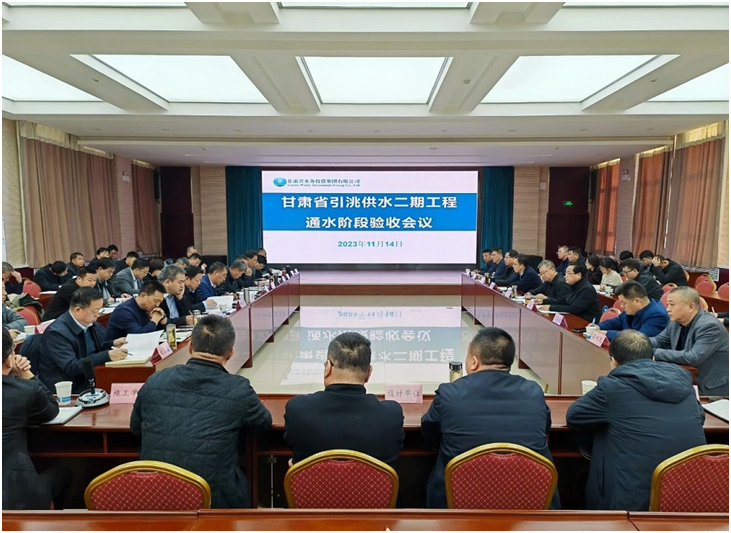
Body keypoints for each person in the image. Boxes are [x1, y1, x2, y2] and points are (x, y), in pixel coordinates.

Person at [131, 314, 272, 508]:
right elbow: (263, 423)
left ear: (190, 347)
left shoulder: (156, 380)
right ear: (230, 354)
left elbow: (136, 428)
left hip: (154, 495)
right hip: (212, 500)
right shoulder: (238, 388)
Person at [567, 330, 706, 511]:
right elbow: (700, 417)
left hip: (631, 502)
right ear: (653, 358)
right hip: (689, 495)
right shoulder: (683, 383)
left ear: (613, 361)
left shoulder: (612, 388)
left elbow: (574, 417)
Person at [421, 327, 557, 509]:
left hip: (459, 504)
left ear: (474, 362)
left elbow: (429, 433)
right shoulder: (533, 392)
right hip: (529, 502)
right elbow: (544, 429)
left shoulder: (450, 393)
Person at [284, 332, 404, 468]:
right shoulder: (391, 415)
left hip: (314, 483)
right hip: (369, 483)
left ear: (328, 368)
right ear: (369, 373)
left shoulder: (298, 410)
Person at [2, 327, 72, 510]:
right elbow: (51, 410)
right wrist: (26, 375)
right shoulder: (23, 392)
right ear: (9, 359)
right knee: (64, 472)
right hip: (14, 494)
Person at [39, 288, 128, 394]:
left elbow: (95, 348)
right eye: (95, 312)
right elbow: (71, 367)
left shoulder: (90, 324)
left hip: (91, 378)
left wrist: (112, 343)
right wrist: (107, 355)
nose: (98, 315)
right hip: (69, 389)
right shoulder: (57, 333)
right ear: (78, 310)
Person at [650, 287, 729, 395]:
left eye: (672, 305)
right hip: (683, 377)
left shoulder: (710, 326)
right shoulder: (675, 322)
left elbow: (693, 357)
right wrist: (637, 345)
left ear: (691, 307)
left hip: (709, 387)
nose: (667, 309)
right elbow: (659, 341)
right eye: (667, 304)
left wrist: (652, 352)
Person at [597, 281, 668, 340]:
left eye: (623, 303)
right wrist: (598, 327)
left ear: (637, 301)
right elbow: (613, 323)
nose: (621, 306)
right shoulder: (631, 309)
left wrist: (607, 333)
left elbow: (638, 339)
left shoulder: (657, 315)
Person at [103, 281, 167, 342]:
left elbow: (159, 331)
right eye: (156, 301)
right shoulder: (124, 311)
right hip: (116, 348)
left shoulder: (147, 308)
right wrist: (155, 319)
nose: (157, 305)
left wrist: (162, 319)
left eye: (160, 302)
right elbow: (139, 336)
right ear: (143, 296)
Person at [537, 263, 601, 323]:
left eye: (569, 273)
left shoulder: (586, 289)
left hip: (587, 322)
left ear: (578, 275)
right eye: (566, 273)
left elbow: (574, 308)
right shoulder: (573, 285)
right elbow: (563, 301)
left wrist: (550, 307)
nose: (566, 276)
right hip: (575, 318)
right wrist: (544, 301)